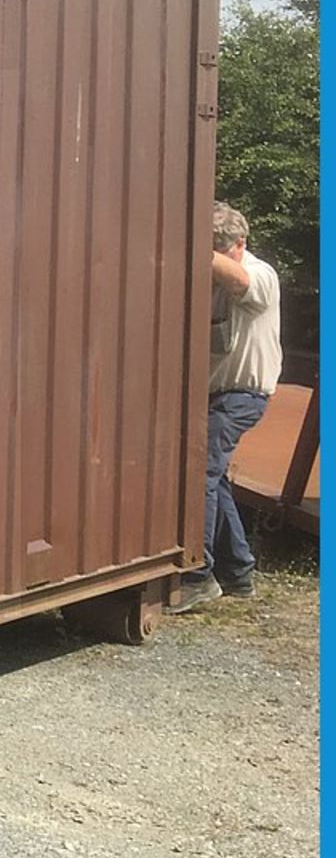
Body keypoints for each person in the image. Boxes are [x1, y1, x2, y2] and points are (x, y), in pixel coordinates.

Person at [174, 202, 284, 613]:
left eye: (223, 250)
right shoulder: (216, 278)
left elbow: (238, 278)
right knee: (215, 480)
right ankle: (238, 573)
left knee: (199, 471)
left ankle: (198, 576)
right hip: (214, 395)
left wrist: (193, 246)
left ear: (241, 243)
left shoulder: (260, 274)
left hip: (242, 396)